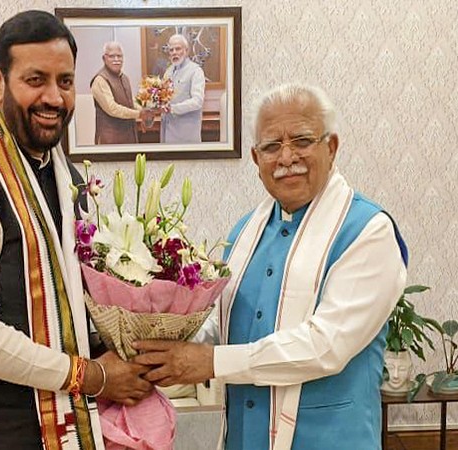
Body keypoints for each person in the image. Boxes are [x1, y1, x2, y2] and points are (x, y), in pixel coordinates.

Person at [0, 10, 152, 450]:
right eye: (35, 79)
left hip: (62, 422)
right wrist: (94, 376)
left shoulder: (61, 175)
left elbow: (70, 301)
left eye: (64, 81)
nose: (54, 98)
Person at [134, 83, 408, 450]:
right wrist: (156, 338)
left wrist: (213, 362)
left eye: (301, 140)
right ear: (255, 158)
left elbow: (326, 345)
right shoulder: (245, 230)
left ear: (332, 146)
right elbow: (223, 320)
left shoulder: (368, 231)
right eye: (272, 146)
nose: (286, 157)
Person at [90, 41, 151, 144]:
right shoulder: (100, 80)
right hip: (110, 139)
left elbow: (130, 102)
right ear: (104, 58)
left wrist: (145, 111)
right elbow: (112, 108)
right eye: (112, 56)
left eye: (119, 56)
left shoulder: (124, 78)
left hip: (129, 135)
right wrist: (139, 114)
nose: (116, 60)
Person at [159, 34, 206, 143]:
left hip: (186, 135)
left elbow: (197, 101)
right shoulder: (168, 71)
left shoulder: (196, 71)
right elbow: (163, 98)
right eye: (171, 50)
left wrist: (173, 108)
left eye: (178, 49)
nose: (174, 52)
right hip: (167, 133)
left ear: (186, 50)